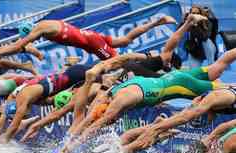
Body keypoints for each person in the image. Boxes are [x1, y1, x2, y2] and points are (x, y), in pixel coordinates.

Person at [71, 14, 206, 128]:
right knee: (165, 58)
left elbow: (126, 54)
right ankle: (187, 23)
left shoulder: (104, 102)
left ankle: (187, 23)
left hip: (133, 76)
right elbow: (128, 50)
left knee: (172, 75)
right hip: (130, 71)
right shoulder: (106, 89)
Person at [120, 48, 236, 153]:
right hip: (178, 82)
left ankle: (154, 127)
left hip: (179, 81)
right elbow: (186, 117)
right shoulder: (219, 97)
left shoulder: (216, 97)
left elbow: (222, 125)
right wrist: (154, 130)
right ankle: (150, 131)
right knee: (216, 71)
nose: (212, 120)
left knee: (216, 70)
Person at [0, 15, 177, 66]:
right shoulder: (46, 23)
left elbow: (19, 45)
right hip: (91, 36)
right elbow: (26, 46)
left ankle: (150, 57)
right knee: (125, 40)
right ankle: (157, 22)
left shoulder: (40, 29)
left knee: (117, 62)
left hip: (93, 43)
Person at [0, 64, 92, 143]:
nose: (26, 114)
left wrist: (3, 141)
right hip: (68, 75)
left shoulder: (23, 100)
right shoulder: (14, 97)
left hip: (76, 75)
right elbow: (0, 120)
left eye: (23, 115)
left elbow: (13, 127)